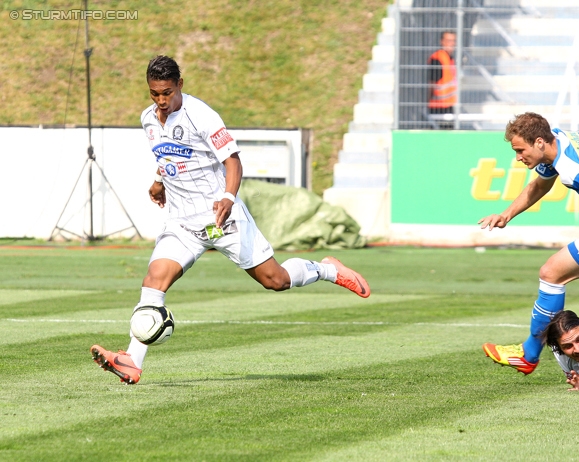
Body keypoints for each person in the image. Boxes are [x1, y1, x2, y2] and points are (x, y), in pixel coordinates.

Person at [90, 55, 371, 385]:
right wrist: (158, 180)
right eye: (154, 94)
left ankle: (328, 269)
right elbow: (167, 154)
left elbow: (233, 162)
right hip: (182, 223)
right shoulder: (149, 119)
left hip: (221, 218)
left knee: (275, 280)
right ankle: (132, 361)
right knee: (154, 280)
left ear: (180, 84)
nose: (161, 101)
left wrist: (227, 197)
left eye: (166, 92)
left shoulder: (202, 116)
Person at [479, 112, 579, 375]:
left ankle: (529, 354)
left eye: (520, 150)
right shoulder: (558, 142)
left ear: (539, 142)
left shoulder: (574, 169)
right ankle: (529, 353)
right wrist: (506, 215)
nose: (518, 157)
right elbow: (541, 185)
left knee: (552, 274)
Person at [426, 30, 457, 130]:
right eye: (448, 40)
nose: (451, 43)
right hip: (438, 107)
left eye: (453, 41)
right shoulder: (438, 58)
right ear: (442, 42)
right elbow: (432, 83)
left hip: (448, 105)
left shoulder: (450, 58)